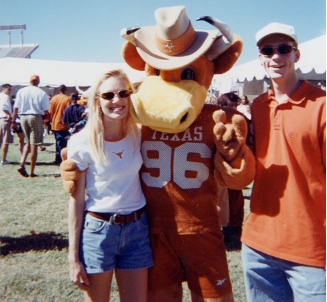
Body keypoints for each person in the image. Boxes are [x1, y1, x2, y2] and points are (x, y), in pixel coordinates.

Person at [241, 22, 326, 301]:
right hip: (258, 245)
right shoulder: (258, 107)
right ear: (261, 58)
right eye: (268, 50)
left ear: (296, 55)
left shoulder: (321, 105)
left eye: (284, 49)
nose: (276, 56)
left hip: (311, 249)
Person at [67, 69, 153, 302]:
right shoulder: (81, 142)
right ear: (97, 100)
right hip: (98, 231)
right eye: (108, 95)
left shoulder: (139, 133)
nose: (117, 100)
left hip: (137, 230)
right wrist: (73, 257)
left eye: (123, 93)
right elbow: (76, 201)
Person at [217, 93, 246, 245]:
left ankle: (234, 229)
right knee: (221, 198)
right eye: (231, 106)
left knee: (235, 198)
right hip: (220, 165)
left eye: (235, 106)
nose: (234, 109)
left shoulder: (240, 119)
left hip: (235, 164)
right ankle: (223, 228)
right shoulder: (217, 120)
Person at [12, 75, 50, 178]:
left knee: (28, 142)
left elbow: (16, 108)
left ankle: (22, 164)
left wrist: (13, 121)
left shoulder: (21, 91)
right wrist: (47, 120)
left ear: (30, 81)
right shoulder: (41, 93)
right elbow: (46, 110)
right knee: (34, 145)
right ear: (38, 82)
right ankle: (32, 172)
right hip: (35, 117)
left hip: (23, 117)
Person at [49, 85, 71, 165]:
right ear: (65, 90)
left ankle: (58, 159)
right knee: (63, 143)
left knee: (58, 142)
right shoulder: (67, 99)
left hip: (55, 124)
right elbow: (69, 112)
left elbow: (50, 112)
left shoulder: (53, 99)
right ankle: (60, 159)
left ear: (59, 90)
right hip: (63, 124)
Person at [0, 83, 13, 165]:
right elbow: (3, 107)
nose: (10, 91)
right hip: (5, 119)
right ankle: (3, 160)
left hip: (1, 119)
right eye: (9, 89)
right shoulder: (5, 97)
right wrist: (8, 114)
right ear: (4, 88)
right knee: (5, 140)